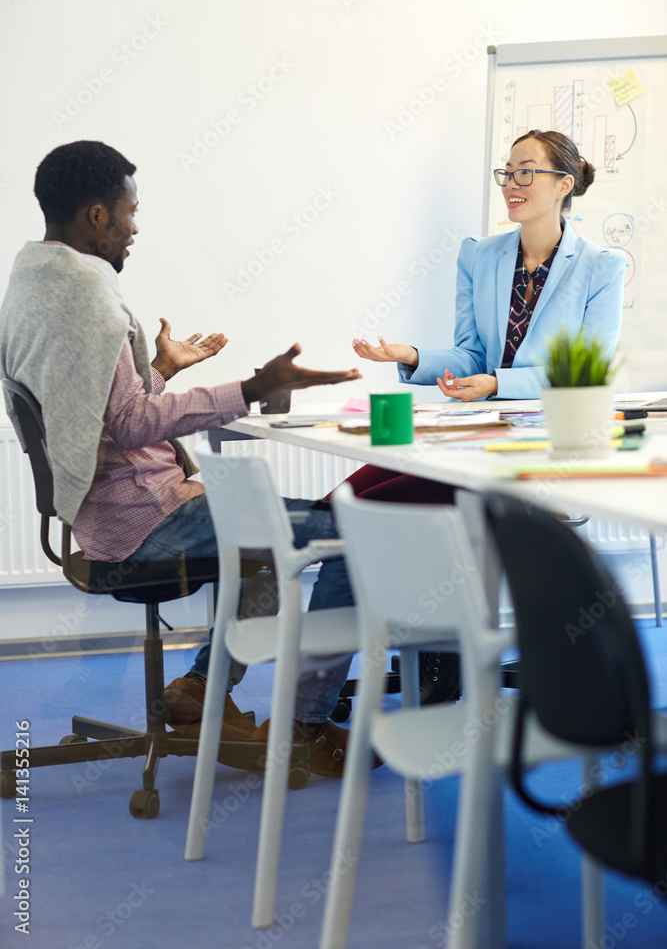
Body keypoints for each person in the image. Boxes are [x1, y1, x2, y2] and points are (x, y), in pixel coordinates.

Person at [0, 140, 366, 779]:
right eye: (130, 213)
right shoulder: (89, 293)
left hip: (102, 519)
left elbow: (93, 413)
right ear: (96, 216)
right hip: (145, 522)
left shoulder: (32, 279)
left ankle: (202, 687)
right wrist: (250, 389)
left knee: (259, 537)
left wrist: (161, 368)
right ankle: (308, 724)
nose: (135, 228)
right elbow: (131, 423)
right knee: (353, 535)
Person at [346, 129, 626, 703]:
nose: (512, 184)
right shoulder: (481, 255)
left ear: (563, 185)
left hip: (544, 446)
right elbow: (471, 354)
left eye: (527, 172)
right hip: (473, 434)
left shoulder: (600, 268)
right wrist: (413, 358)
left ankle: (381, 681)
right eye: (508, 172)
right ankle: (427, 661)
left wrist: (500, 383)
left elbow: (584, 375)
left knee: (369, 509)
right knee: (352, 495)